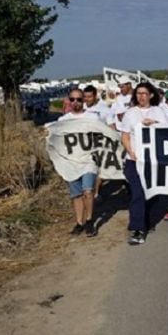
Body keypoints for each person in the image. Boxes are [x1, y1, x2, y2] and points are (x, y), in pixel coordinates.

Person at [120, 82, 168, 245]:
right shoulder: (130, 114)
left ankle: (148, 220)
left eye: (144, 93)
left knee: (153, 193)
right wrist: (130, 152)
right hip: (134, 160)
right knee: (138, 192)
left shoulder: (158, 111)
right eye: (138, 93)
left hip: (153, 160)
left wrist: (154, 124)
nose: (141, 96)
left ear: (151, 95)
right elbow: (125, 136)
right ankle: (137, 228)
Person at [58, 88, 99, 237]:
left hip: (88, 160)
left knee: (88, 191)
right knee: (76, 195)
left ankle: (89, 221)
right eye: (73, 99)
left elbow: (102, 134)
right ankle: (79, 222)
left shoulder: (93, 117)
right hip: (71, 162)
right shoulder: (63, 121)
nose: (76, 102)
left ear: (84, 101)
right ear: (69, 101)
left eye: (79, 99)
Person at [82, 85, 112, 199]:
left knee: (99, 169)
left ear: (95, 96)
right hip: (84, 144)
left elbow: (110, 125)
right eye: (85, 96)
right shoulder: (82, 107)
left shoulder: (104, 108)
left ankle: (95, 192)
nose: (86, 99)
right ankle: (88, 190)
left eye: (89, 97)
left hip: (100, 143)